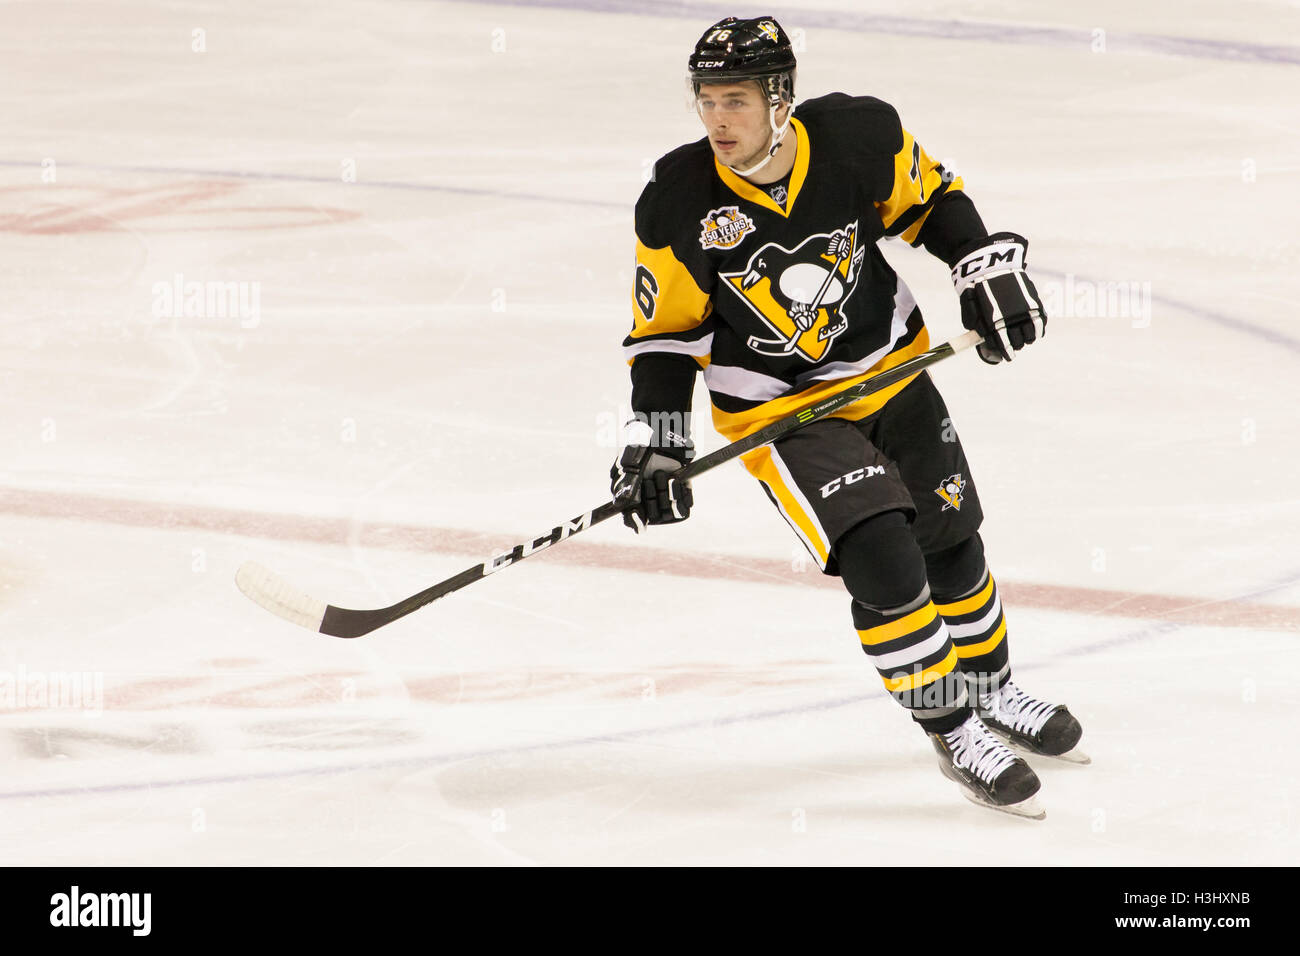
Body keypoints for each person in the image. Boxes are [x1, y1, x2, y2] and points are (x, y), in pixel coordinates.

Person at [609, 15, 1087, 818]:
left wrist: (978, 265)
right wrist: (658, 436)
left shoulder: (860, 137)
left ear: (780, 98)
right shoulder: (678, 201)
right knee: (883, 559)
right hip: (783, 413)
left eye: (735, 99)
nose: (717, 120)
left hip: (892, 371)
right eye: (706, 101)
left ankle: (993, 691)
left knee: (953, 545)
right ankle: (955, 728)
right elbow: (664, 334)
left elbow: (931, 201)